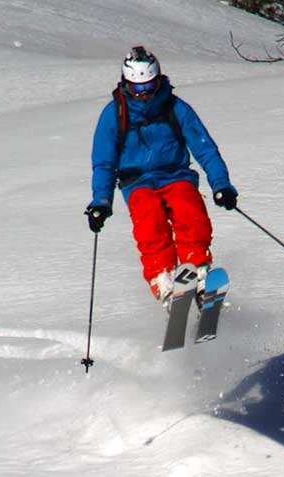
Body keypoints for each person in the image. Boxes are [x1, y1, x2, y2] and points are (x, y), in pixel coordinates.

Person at [86, 46, 238, 304]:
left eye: (149, 87)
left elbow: (205, 148)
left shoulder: (176, 108)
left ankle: (197, 269)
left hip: (175, 174)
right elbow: (103, 162)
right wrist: (101, 202)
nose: (143, 95)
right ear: (126, 85)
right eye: (137, 89)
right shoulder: (113, 114)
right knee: (149, 221)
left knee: (188, 207)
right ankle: (164, 279)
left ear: (158, 82)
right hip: (136, 182)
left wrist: (221, 185)